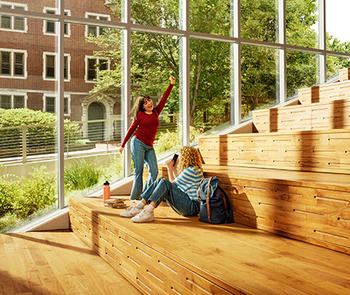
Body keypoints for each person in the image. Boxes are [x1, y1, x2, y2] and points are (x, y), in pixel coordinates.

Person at [119, 75, 175, 200]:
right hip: (137, 143)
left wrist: (171, 84)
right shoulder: (139, 115)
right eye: (145, 103)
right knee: (138, 172)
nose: (149, 103)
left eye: (149, 100)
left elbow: (164, 99)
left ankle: (146, 195)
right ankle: (134, 198)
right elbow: (132, 129)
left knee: (154, 171)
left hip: (149, 146)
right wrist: (123, 144)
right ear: (142, 106)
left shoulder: (156, 112)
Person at [120, 146, 204, 223]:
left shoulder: (191, 170)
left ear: (186, 157)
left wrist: (169, 168)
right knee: (160, 180)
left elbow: (171, 184)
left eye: (181, 156)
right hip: (189, 206)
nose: (179, 159)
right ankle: (140, 206)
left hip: (192, 207)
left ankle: (148, 211)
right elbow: (176, 184)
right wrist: (173, 169)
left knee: (164, 182)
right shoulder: (194, 169)